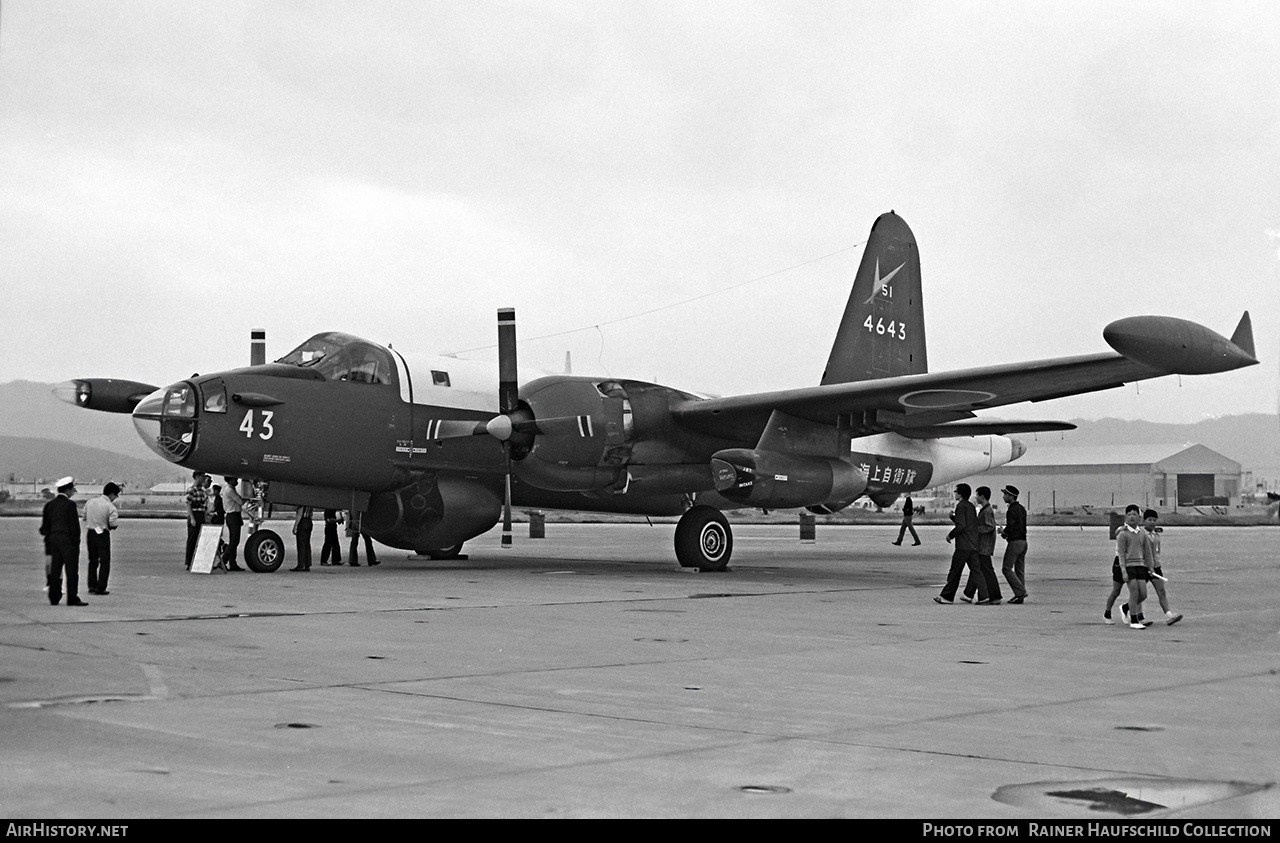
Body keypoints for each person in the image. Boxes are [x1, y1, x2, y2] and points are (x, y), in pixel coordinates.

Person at [934, 483, 987, 604]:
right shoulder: (971, 506)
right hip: (973, 543)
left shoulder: (961, 506)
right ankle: (984, 596)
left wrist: (950, 535)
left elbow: (961, 526)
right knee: (976, 571)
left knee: (955, 571)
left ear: (960, 493)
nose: (955, 494)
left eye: (956, 492)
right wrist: (954, 518)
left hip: (963, 545)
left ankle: (947, 597)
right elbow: (969, 524)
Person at [1104, 504, 1153, 628]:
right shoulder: (1122, 532)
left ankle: (1126, 608)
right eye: (1129, 514)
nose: (1132, 517)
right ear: (1125, 517)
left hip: (1138, 565)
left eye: (1134, 514)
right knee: (1117, 591)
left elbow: (1147, 552)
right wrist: (1123, 570)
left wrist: (1150, 567)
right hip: (1122, 564)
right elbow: (1120, 552)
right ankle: (1110, 614)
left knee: (1142, 593)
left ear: (1139, 517)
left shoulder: (1142, 533)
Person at [40, 476, 86, 606]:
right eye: (72, 490)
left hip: (53, 540)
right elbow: (74, 527)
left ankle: (54, 597)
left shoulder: (49, 505)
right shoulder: (70, 505)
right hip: (68, 541)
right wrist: (76, 542)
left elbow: (44, 528)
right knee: (71, 570)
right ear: (68, 490)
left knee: (55, 569)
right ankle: (72, 597)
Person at [961, 487, 1002, 604]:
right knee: (977, 569)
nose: (976, 497)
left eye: (977, 495)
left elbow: (990, 526)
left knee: (986, 570)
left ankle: (994, 596)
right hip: (982, 545)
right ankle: (968, 594)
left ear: (982, 496)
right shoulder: (985, 509)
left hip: (985, 546)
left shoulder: (987, 511)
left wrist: (975, 530)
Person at [1143, 509, 1183, 625]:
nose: (1152, 522)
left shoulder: (1156, 535)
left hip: (1156, 566)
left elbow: (1157, 551)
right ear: (1144, 520)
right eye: (1149, 520)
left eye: (1154, 520)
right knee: (1141, 594)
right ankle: (1133, 613)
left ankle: (1169, 614)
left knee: (1161, 591)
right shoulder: (1140, 534)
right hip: (1144, 567)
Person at [85, 482, 121, 595]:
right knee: (104, 561)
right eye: (116, 495)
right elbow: (113, 523)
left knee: (93, 561)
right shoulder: (111, 507)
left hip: (91, 533)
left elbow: (84, 516)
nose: (116, 498)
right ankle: (100, 587)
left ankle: (91, 585)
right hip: (102, 534)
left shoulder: (90, 502)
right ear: (111, 495)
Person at [998, 485, 1028, 604]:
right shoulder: (1021, 508)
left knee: (1006, 568)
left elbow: (1011, 526)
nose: (1003, 496)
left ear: (1011, 496)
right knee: (1019, 570)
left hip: (1015, 542)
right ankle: (1019, 595)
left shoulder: (1011, 510)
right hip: (1023, 542)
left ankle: (1020, 592)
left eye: (1005, 494)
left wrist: (1003, 532)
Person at [184, 471, 209, 570]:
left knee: (199, 539)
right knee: (192, 539)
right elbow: (188, 504)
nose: (204, 479)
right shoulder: (191, 490)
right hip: (194, 514)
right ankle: (189, 561)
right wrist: (192, 518)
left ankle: (197, 560)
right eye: (202, 476)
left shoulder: (202, 491)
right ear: (197, 477)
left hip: (201, 514)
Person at [220, 478, 246, 571]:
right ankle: (223, 561)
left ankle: (233, 563)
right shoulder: (230, 490)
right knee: (234, 541)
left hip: (234, 516)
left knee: (233, 540)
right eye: (235, 479)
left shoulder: (228, 489)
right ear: (230, 480)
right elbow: (240, 501)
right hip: (233, 516)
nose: (237, 481)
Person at [291, 506, 313, 571]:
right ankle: (307, 564)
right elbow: (311, 515)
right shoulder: (310, 504)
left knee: (301, 544)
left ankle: (301, 564)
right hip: (309, 521)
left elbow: (299, 515)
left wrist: (295, 526)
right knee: (307, 544)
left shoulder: (301, 504)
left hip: (303, 522)